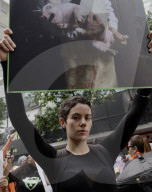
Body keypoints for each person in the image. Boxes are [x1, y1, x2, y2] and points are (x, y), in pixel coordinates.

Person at [0, 29, 152, 192]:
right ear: (63, 122)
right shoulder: (52, 160)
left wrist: (147, 57)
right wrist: (7, 63)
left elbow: (136, 110)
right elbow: (19, 119)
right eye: (76, 117)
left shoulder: (105, 150)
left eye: (88, 117)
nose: (83, 123)